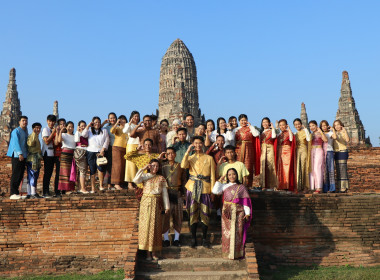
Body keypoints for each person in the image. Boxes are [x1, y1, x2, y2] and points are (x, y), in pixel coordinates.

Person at [181, 136, 216, 248]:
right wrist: (187, 151)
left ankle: (205, 239)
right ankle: (193, 238)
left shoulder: (209, 158)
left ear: (203, 144)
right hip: (192, 187)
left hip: (205, 187)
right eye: (195, 143)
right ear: (193, 144)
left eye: (200, 143)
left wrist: (213, 191)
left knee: (205, 214)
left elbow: (213, 176)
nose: (198, 145)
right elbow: (183, 165)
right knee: (192, 213)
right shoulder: (190, 157)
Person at [133, 159, 169, 260]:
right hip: (145, 203)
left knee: (155, 227)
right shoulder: (145, 176)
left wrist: (167, 206)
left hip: (156, 203)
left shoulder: (161, 178)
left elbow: (165, 193)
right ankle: (147, 253)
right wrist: (143, 169)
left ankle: (154, 252)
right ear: (150, 166)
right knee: (146, 226)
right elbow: (135, 180)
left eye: (157, 166)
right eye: (153, 166)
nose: (155, 168)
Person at [212, 168, 252, 259]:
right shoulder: (224, 186)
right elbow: (214, 191)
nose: (231, 176)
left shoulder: (241, 187)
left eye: (233, 174)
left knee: (238, 232)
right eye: (229, 175)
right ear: (227, 176)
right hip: (227, 212)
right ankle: (227, 253)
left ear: (237, 175)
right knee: (227, 233)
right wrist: (219, 181)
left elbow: (245, 201)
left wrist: (247, 213)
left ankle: (237, 253)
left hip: (239, 212)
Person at [161, 147, 186, 247]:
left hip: (177, 192)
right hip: (166, 193)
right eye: (168, 153)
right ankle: (166, 239)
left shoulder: (180, 166)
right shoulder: (162, 166)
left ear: (175, 154)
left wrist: (184, 193)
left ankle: (176, 239)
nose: (170, 155)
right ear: (165, 155)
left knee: (178, 216)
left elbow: (184, 180)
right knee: (166, 217)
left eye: (172, 153)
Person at [82, 117, 110, 193]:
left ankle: (101, 185)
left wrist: (103, 149)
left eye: (98, 122)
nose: (97, 124)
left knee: (101, 169)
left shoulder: (104, 130)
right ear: (92, 123)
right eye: (95, 122)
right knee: (92, 169)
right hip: (91, 151)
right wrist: (88, 126)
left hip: (100, 151)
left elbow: (107, 140)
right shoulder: (89, 131)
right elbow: (83, 135)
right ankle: (93, 188)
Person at [234, 114, 260, 188]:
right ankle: (238, 185)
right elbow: (232, 140)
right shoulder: (236, 129)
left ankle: (248, 185)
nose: (243, 122)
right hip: (239, 149)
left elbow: (256, 134)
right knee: (238, 166)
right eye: (242, 120)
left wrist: (251, 126)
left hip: (249, 149)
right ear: (239, 121)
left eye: (245, 120)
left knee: (248, 166)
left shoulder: (251, 129)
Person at [7, 116, 28, 200]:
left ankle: (16, 193)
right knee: (16, 174)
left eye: (26, 121)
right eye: (23, 121)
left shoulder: (25, 132)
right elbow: (16, 143)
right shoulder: (16, 131)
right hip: (17, 155)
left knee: (20, 174)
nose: (25, 122)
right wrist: (20, 154)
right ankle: (13, 193)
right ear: (19, 122)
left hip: (24, 156)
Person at [276, 119, 296, 191]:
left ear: (286, 125)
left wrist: (289, 129)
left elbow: (291, 139)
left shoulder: (289, 133)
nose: (282, 126)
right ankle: (282, 185)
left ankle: (288, 185)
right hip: (280, 152)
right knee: (281, 169)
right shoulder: (279, 134)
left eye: (283, 125)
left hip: (287, 152)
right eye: (280, 125)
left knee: (287, 168)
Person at [258, 117, 278, 190]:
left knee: (271, 165)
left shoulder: (271, 131)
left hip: (270, 148)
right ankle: (263, 185)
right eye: (263, 122)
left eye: (266, 122)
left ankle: (272, 185)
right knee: (263, 166)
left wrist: (273, 128)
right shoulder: (261, 132)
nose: (265, 124)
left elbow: (273, 136)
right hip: (263, 149)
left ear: (269, 123)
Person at [309, 120, 327, 194]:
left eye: (313, 125)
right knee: (312, 169)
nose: (311, 127)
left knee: (318, 168)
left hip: (319, 150)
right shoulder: (311, 134)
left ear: (316, 125)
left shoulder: (320, 133)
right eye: (310, 126)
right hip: (312, 151)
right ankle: (313, 187)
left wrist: (321, 132)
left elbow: (325, 140)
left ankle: (319, 187)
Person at [123, 111, 140, 190]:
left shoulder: (140, 126)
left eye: (137, 116)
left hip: (138, 146)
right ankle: (129, 183)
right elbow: (125, 131)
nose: (136, 118)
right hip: (130, 145)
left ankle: (137, 182)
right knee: (130, 164)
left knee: (138, 164)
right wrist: (129, 123)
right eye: (135, 116)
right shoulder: (128, 125)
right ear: (132, 117)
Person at [57, 121, 76, 193]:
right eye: (69, 126)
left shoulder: (75, 136)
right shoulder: (64, 134)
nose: (70, 128)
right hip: (65, 153)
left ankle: (70, 188)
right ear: (66, 127)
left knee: (72, 171)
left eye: (72, 127)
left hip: (72, 154)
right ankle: (64, 189)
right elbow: (59, 140)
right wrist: (61, 131)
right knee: (65, 172)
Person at [293, 118, 311, 193]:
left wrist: (306, 129)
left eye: (298, 124)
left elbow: (308, 139)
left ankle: (305, 186)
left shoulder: (305, 132)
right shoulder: (295, 134)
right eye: (295, 125)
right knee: (298, 168)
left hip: (303, 150)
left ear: (301, 124)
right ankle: (298, 186)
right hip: (297, 151)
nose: (297, 126)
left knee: (304, 167)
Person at [41, 114, 57, 197]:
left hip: (52, 154)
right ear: (47, 121)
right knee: (47, 173)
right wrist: (53, 133)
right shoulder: (45, 130)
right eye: (50, 121)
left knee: (50, 173)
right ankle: (45, 192)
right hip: (47, 153)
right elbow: (46, 141)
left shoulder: (53, 130)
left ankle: (48, 191)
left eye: (53, 121)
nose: (51, 123)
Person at [332, 120, 350, 193]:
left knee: (343, 169)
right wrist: (333, 130)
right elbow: (335, 138)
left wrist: (345, 131)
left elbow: (347, 140)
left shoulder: (343, 132)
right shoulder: (334, 133)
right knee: (338, 170)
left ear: (341, 125)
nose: (336, 126)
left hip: (343, 151)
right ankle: (340, 187)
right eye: (335, 125)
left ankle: (344, 187)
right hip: (336, 152)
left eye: (338, 125)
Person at [110, 115, 128, 190]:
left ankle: (122, 183)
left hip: (125, 148)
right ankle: (116, 183)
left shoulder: (127, 129)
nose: (123, 121)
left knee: (123, 166)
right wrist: (116, 123)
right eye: (121, 120)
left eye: (124, 120)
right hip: (117, 147)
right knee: (117, 166)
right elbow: (111, 131)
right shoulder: (117, 128)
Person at [26, 122, 43, 199]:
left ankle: (30, 192)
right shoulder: (32, 135)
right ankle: (32, 193)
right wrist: (34, 134)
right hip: (33, 158)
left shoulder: (36, 136)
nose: (38, 129)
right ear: (33, 129)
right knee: (33, 175)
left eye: (39, 128)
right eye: (36, 128)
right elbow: (30, 144)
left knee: (32, 175)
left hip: (35, 158)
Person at [102, 112, 117, 189]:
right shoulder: (106, 127)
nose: (112, 119)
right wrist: (104, 122)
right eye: (110, 118)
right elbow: (98, 129)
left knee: (117, 166)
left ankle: (116, 183)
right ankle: (109, 184)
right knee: (109, 166)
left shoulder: (119, 126)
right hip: (110, 148)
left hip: (118, 148)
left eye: (113, 117)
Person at [320, 120, 336, 193]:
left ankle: (332, 188)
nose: (324, 127)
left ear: (327, 126)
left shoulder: (330, 133)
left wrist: (333, 129)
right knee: (324, 170)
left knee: (331, 169)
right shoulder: (321, 133)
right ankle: (325, 188)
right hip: (322, 152)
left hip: (329, 151)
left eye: (325, 125)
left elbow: (335, 137)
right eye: (322, 126)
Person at [74, 120, 89, 193]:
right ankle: (82, 188)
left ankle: (80, 187)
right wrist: (78, 131)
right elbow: (76, 140)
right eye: (82, 126)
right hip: (80, 152)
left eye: (84, 126)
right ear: (79, 126)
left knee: (83, 171)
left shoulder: (86, 133)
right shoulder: (78, 133)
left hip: (85, 151)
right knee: (82, 170)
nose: (83, 127)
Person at [53, 118, 66, 196]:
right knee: (58, 173)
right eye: (61, 124)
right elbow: (56, 142)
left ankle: (64, 190)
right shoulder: (56, 133)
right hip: (58, 155)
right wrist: (58, 132)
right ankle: (57, 191)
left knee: (65, 174)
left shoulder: (68, 133)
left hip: (66, 155)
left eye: (64, 124)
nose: (63, 125)